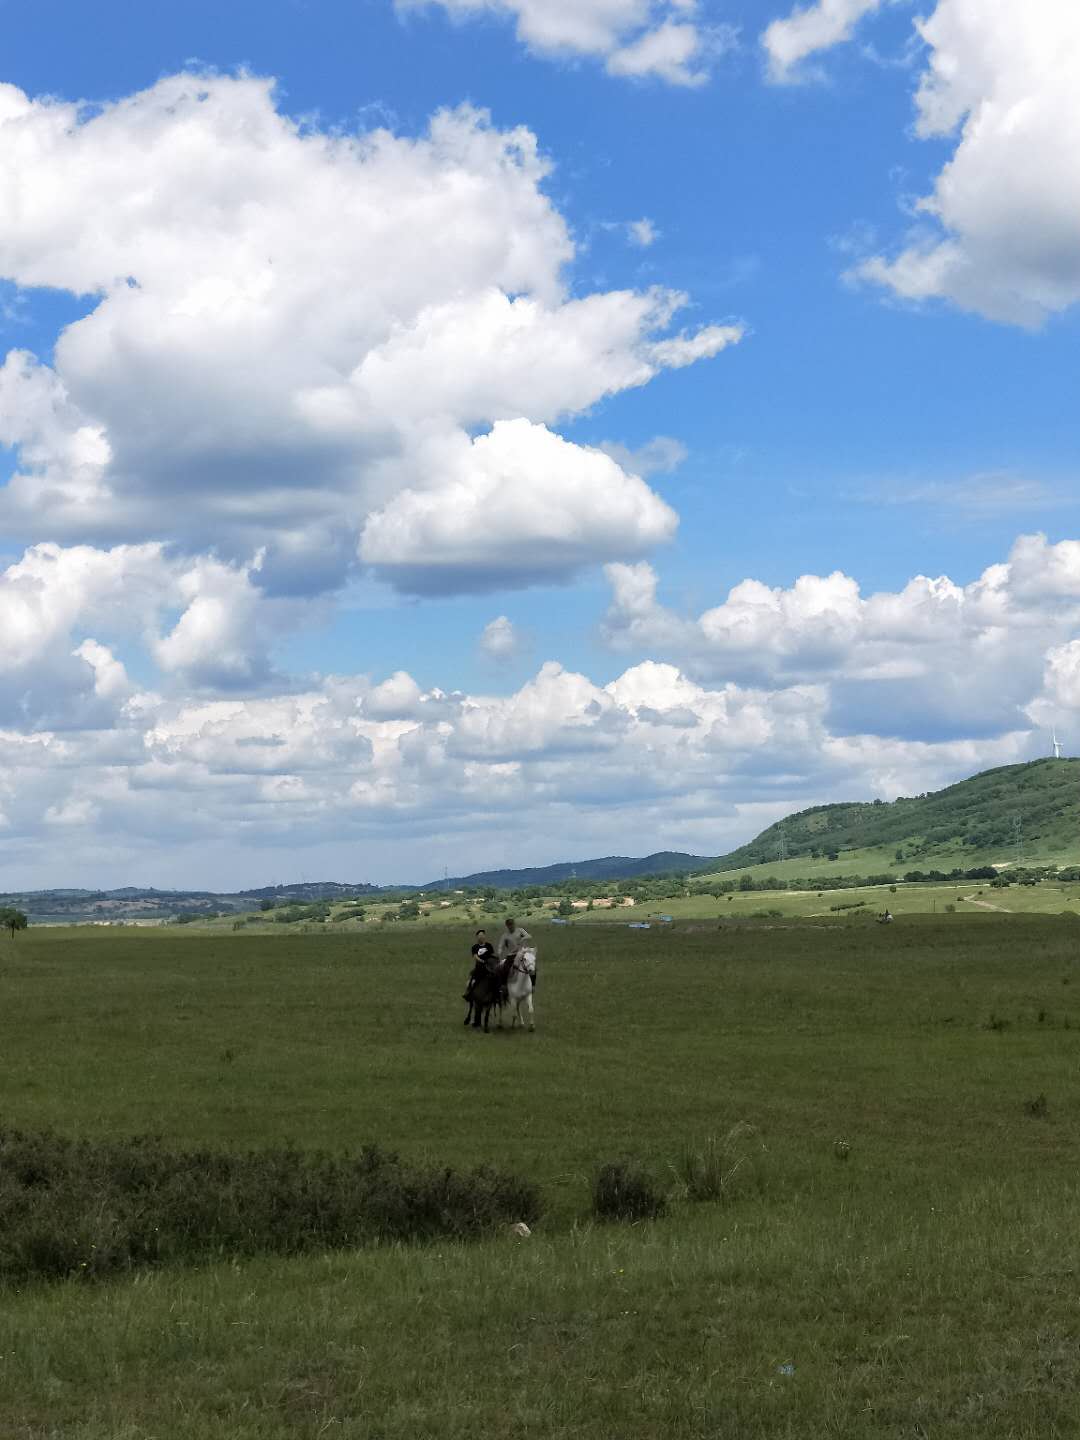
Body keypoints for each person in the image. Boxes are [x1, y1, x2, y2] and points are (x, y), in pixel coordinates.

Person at [463, 929, 497, 1011]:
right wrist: (481, 960)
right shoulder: (475, 947)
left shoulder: (489, 946)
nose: (481, 937)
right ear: (477, 937)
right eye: (479, 936)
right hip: (479, 968)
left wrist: (492, 961)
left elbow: (492, 955)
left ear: (485, 936)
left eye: (482, 935)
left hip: (489, 968)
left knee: (496, 980)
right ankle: (468, 993)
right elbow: (475, 956)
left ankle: (497, 994)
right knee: (472, 981)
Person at [498, 916, 535, 990]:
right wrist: (499, 952)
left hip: (522, 952)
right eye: (509, 925)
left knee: (531, 966)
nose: (511, 926)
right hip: (511, 954)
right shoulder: (505, 935)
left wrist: (523, 938)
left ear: (514, 924)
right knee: (505, 967)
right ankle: (504, 985)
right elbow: (500, 945)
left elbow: (529, 936)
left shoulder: (520, 930)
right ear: (507, 926)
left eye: (512, 924)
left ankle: (532, 985)